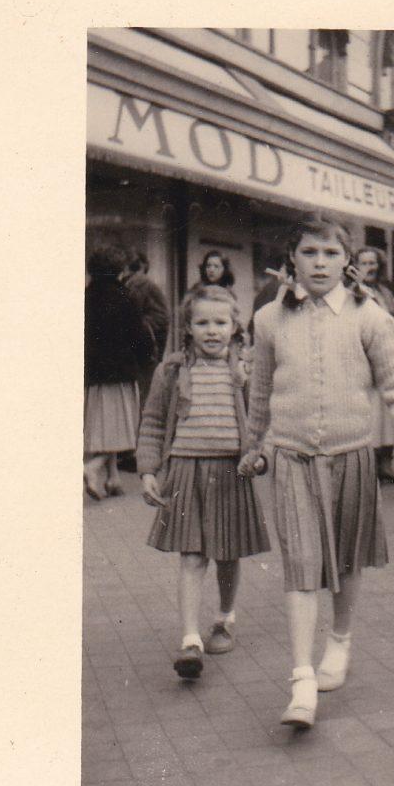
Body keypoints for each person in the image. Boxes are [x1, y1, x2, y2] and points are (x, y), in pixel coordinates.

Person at [239, 215, 394, 729]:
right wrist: (254, 445)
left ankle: (341, 639)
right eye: (310, 253)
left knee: (346, 561)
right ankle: (301, 682)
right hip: (290, 457)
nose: (320, 263)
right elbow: (259, 392)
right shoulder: (267, 320)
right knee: (302, 564)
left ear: (347, 261)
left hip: (353, 455)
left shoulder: (370, 317)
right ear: (293, 260)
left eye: (331, 254)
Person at [137, 285, 270, 680]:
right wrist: (147, 470)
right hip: (185, 472)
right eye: (202, 322)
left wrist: (258, 455)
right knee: (192, 556)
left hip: (232, 472)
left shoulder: (244, 370)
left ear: (234, 326)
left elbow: (262, 422)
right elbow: (154, 421)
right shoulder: (173, 371)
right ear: (188, 328)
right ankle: (190, 638)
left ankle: (224, 618)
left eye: (220, 322)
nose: (212, 331)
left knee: (227, 554)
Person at [84, 245, 153, 499]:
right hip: (121, 373)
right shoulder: (126, 297)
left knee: (106, 427)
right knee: (123, 429)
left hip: (93, 377)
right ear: (118, 270)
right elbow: (140, 337)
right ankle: (93, 468)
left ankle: (113, 479)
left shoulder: (86, 296)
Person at [354, 246, 394, 479]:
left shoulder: (384, 292)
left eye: (373, 263)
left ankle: (386, 464)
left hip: (386, 354)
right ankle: (368, 464)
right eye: (364, 263)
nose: (370, 268)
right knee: (369, 411)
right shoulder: (352, 291)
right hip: (363, 357)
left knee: (387, 411)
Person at [121, 250, 170, 409]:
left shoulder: (138, 284)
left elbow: (132, 316)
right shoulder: (137, 283)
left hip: (144, 346)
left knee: (144, 393)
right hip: (149, 344)